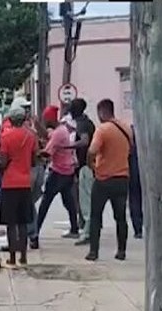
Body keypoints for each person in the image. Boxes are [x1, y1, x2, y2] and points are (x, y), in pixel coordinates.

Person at [85, 98, 133, 262]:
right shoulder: (126, 128)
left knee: (96, 215)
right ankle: (121, 251)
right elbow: (130, 149)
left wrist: (91, 165)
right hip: (122, 178)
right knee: (120, 217)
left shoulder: (102, 130)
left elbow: (91, 151)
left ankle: (93, 251)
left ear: (101, 112)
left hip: (103, 179)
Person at [31, 105, 80, 248]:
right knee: (68, 200)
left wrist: (32, 154)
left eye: (46, 120)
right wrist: (37, 125)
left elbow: (47, 153)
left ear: (51, 120)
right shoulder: (61, 130)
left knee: (45, 202)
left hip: (59, 172)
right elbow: (46, 135)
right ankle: (75, 228)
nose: (45, 123)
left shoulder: (59, 134)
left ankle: (35, 234)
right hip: (68, 171)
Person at [0, 107, 37, 268]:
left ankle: (12, 257)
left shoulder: (5, 136)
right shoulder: (31, 136)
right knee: (23, 222)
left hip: (9, 183)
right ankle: (24, 257)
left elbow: (4, 162)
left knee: (10, 223)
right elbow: (34, 160)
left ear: (11, 120)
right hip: (25, 182)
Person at [69, 98, 96, 245]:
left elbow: (85, 141)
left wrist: (68, 145)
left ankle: (88, 233)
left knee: (85, 201)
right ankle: (87, 228)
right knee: (84, 200)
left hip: (85, 166)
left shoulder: (82, 124)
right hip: (86, 166)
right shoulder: (86, 122)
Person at [128, 123, 143, 239]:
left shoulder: (129, 147)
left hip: (132, 175)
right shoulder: (146, 146)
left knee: (134, 201)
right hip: (142, 175)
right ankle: (140, 227)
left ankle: (138, 229)